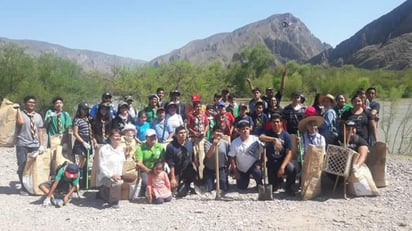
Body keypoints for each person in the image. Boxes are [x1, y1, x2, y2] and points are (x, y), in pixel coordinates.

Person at [259, 114, 299, 196]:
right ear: (271, 123)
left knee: (292, 169)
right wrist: (274, 139)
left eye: (277, 122)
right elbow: (261, 137)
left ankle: (289, 187)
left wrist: (282, 167)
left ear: (281, 123)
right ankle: (278, 181)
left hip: (282, 161)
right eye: (274, 122)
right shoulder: (268, 132)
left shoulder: (286, 135)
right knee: (274, 188)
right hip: (271, 162)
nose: (275, 124)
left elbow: (289, 153)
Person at [15, 95, 44, 195]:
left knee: (33, 167)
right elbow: (20, 122)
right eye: (29, 102)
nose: (32, 104)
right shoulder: (20, 114)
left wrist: (41, 144)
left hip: (34, 144)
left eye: (33, 103)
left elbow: (40, 130)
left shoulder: (38, 116)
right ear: (25, 103)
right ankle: (23, 187)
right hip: (22, 143)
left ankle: (32, 186)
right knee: (22, 165)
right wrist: (18, 110)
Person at [228, 120, 263, 190]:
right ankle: (244, 180)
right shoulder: (235, 142)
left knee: (257, 172)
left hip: (254, 165)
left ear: (250, 129)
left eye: (247, 128)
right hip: (242, 168)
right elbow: (231, 157)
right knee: (242, 187)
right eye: (243, 129)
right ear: (239, 130)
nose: (245, 131)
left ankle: (259, 184)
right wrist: (235, 171)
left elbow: (263, 151)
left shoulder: (256, 139)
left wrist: (260, 162)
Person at [96, 129, 125, 209]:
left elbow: (123, 163)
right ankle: (114, 202)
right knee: (116, 183)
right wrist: (112, 175)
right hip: (106, 176)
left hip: (119, 175)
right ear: (110, 137)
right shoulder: (104, 149)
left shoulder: (121, 149)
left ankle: (105, 193)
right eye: (116, 136)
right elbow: (102, 166)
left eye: (119, 136)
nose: (118, 138)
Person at [165, 126, 196, 197]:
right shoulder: (171, 146)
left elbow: (192, 158)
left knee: (182, 192)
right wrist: (172, 178)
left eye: (184, 132)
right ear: (176, 135)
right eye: (181, 133)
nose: (183, 134)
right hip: (175, 171)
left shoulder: (189, 143)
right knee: (172, 191)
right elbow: (171, 164)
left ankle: (187, 185)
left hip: (188, 170)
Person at [135, 129, 165, 197]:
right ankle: (143, 194)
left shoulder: (160, 147)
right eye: (150, 137)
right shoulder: (140, 148)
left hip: (158, 169)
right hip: (145, 170)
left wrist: (159, 170)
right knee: (146, 183)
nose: (153, 138)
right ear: (146, 138)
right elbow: (139, 163)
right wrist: (148, 171)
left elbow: (163, 160)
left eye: (154, 136)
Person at [203, 125, 230, 192]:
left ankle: (222, 180)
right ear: (213, 133)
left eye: (220, 132)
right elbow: (208, 155)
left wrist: (227, 168)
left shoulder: (226, 143)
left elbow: (229, 156)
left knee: (224, 188)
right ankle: (210, 182)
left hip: (221, 168)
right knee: (208, 189)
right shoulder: (207, 142)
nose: (218, 133)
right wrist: (213, 145)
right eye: (217, 131)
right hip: (209, 169)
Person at [187, 101, 209, 179]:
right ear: (194, 108)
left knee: (201, 157)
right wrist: (194, 132)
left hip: (202, 139)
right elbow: (188, 126)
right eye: (197, 106)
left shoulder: (203, 115)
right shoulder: (191, 116)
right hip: (194, 138)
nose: (198, 108)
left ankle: (202, 176)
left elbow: (206, 124)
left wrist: (205, 132)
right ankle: (196, 175)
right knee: (195, 157)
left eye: (200, 106)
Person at [72, 102, 94, 169]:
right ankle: (79, 173)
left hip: (88, 141)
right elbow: (75, 133)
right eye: (84, 109)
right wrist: (83, 142)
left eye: (87, 109)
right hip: (81, 142)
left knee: (86, 159)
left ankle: (84, 174)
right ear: (80, 110)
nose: (85, 111)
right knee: (82, 159)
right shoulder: (77, 120)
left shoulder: (89, 119)